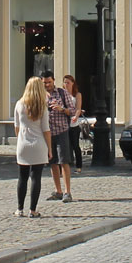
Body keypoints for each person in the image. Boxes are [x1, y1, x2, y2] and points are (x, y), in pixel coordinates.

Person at [11, 76, 51, 217]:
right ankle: (33, 210)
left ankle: (19, 209)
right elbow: (46, 130)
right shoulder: (42, 107)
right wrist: (49, 148)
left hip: (23, 144)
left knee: (22, 177)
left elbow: (16, 127)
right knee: (36, 177)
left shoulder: (19, 104)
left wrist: (21, 139)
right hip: (39, 144)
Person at [43, 73, 77, 202]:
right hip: (47, 133)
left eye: (49, 82)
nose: (47, 85)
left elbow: (72, 111)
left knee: (64, 161)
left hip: (61, 131)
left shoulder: (62, 93)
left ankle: (67, 192)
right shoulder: (41, 95)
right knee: (52, 162)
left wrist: (61, 109)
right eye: (45, 83)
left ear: (53, 81)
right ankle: (58, 191)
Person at [63, 73, 87, 171]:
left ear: (73, 83)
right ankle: (65, 166)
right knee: (64, 146)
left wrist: (76, 116)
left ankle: (79, 166)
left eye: (68, 83)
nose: (66, 85)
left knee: (75, 146)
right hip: (63, 123)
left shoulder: (77, 94)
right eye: (65, 83)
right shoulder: (62, 94)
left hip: (73, 124)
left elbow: (78, 108)